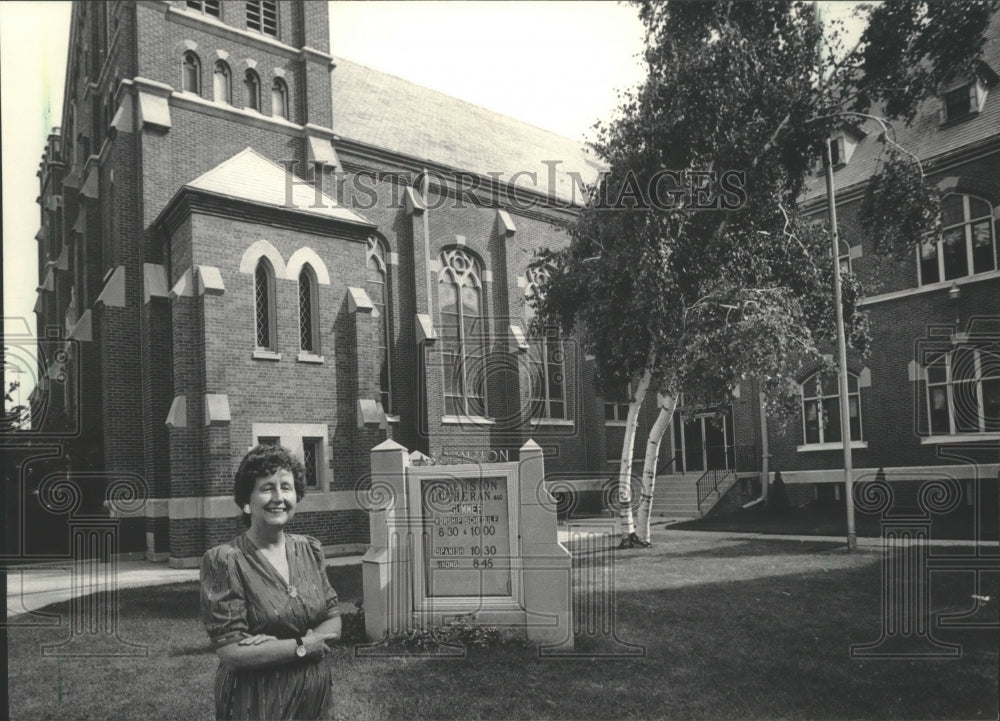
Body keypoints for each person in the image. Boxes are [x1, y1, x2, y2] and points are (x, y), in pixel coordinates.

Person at [200, 444, 342, 720]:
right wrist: (301, 646)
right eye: (267, 488)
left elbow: (333, 618)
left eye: (286, 487)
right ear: (246, 501)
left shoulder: (310, 550)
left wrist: (275, 645)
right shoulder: (226, 560)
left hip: (315, 698)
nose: (279, 497)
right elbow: (232, 651)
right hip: (257, 702)